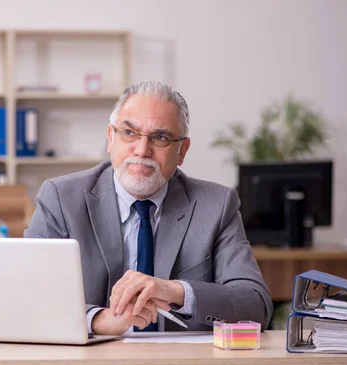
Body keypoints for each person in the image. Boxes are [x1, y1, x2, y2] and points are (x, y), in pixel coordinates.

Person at [24, 81, 273, 336]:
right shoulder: (61, 198)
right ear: (111, 138)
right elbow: (27, 294)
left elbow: (255, 306)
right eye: (129, 133)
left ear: (181, 151)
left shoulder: (217, 205)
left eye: (160, 137)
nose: (142, 150)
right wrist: (97, 320)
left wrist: (176, 291)